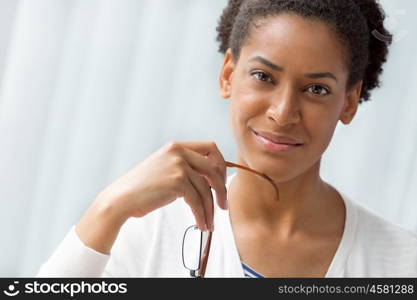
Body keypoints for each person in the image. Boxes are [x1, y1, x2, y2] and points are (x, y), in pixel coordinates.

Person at [37, 0, 417, 278]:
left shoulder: (402, 264)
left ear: (349, 102)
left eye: (316, 89)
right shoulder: (146, 229)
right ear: (228, 75)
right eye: (264, 77)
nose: (283, 113)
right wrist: (107, 210)